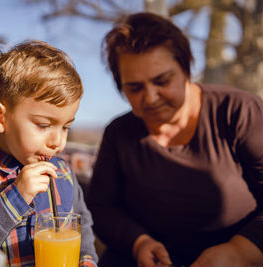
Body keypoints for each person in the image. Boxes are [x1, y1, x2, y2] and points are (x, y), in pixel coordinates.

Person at [87, 12, 263, 267]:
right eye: (135, 88)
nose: (150, 97)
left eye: (162, 81)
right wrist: (139, 242)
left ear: (187, 68)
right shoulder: (118, 133)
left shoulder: (240, 112)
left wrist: (240, 252)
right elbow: (102, 208)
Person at [0, 40, 98, 266]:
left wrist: (87, 262)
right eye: (43, 125)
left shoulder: (63, 173)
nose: (57, 142)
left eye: (65, 127)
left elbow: (82, 229)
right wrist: (17, 196)